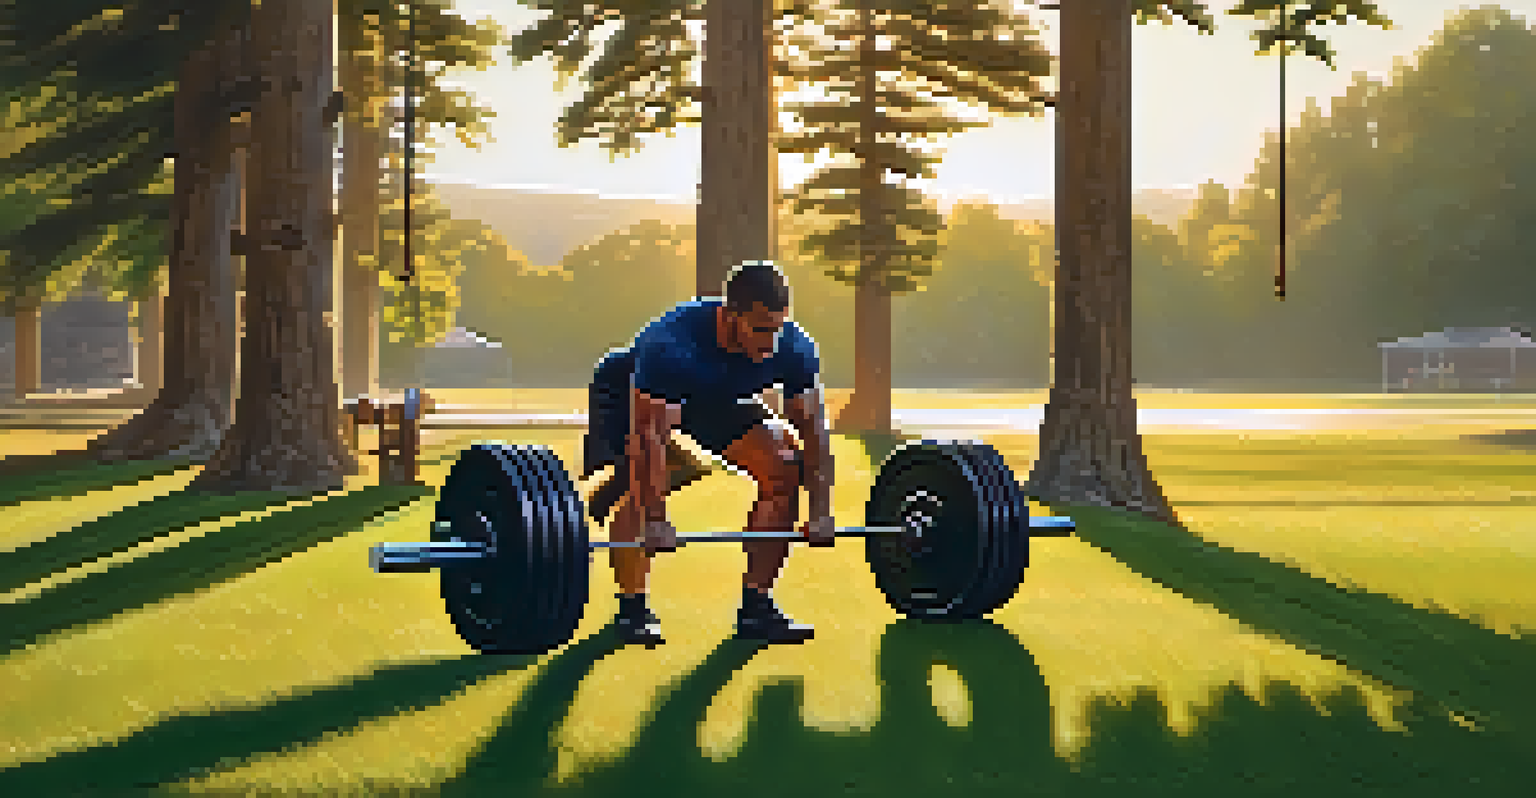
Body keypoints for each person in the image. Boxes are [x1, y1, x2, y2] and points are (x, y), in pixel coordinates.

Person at [581, 260, 836, 646]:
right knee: (647, 477)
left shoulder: (794, 349)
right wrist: (655, 518)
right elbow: (649, 437)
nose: (769, 344)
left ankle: (757, 609)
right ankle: (632, 610)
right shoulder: (670, 346)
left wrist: (820, 512)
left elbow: (815, 433)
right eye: (759, 330)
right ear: (729, 316)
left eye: (777, 328)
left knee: (784, 468)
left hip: (720, 396)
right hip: (633, 393)